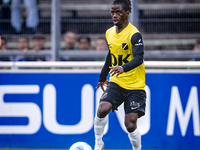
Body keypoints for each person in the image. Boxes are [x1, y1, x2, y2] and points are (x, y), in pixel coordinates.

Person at [94, 1, 146, 150]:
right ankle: (98, 143)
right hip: (116, 81)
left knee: (130, 124)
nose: (114, 15)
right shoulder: (109, 33)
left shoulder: (134, 34)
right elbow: (111, 54)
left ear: (127, 12)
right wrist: (102, 76)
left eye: (118, 12)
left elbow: (139, 58)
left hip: (135, 85)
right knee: (102, 108)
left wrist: (123, 68)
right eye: (112, 12)